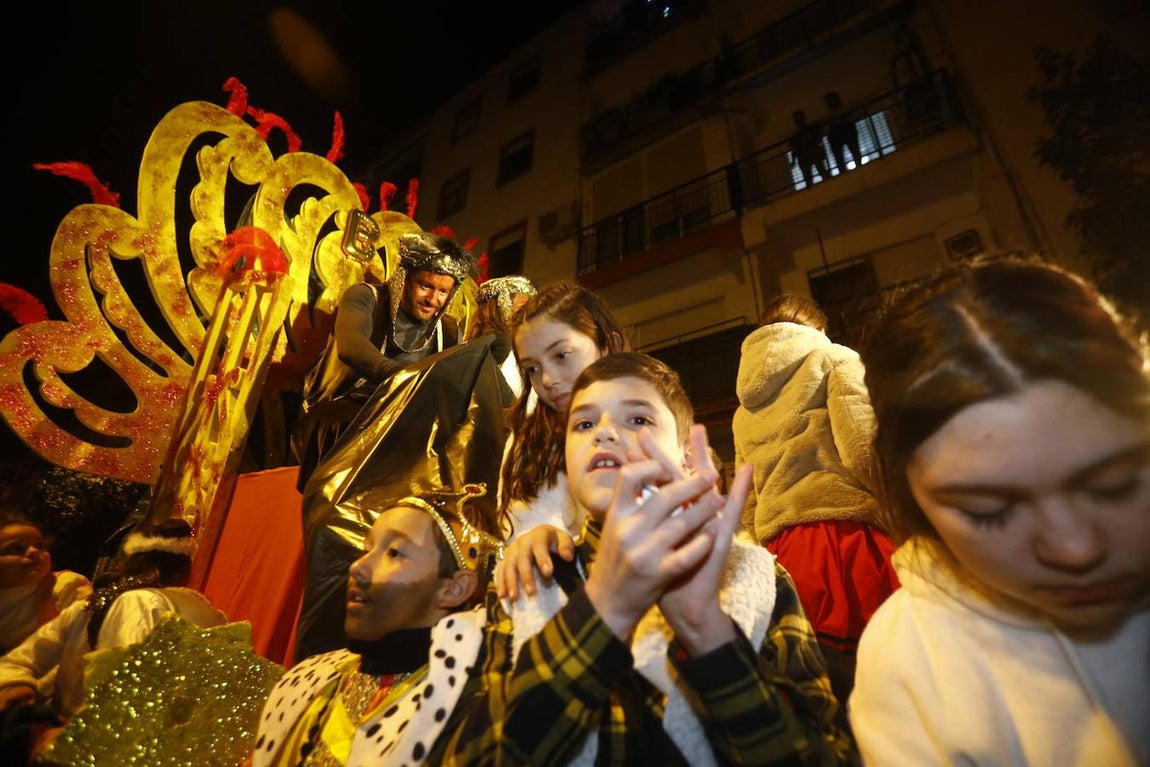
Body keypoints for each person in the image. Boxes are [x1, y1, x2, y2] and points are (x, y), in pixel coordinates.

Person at [428, 352, 857, 765]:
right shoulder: (527, 579)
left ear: (687, 456)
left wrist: (706, 634)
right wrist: (604, 609)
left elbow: (821, 752)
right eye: (584, 423)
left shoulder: (758, 577)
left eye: (637, 419)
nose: (604, 433)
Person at [849, 255, 1150, 766]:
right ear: (909, 495)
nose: (1075, 549)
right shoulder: (909, 663)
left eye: (1113, 486)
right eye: (988, 511)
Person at [249, 486, 502, 767]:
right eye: (367, 548)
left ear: (454, 589)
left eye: (394, 552)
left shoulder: (467, 710)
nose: (358, 566)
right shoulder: (307, 683)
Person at [732, 293, 898, 717]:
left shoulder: (742, 409)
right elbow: (863, 449)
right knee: (896, 678)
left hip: (781, 561)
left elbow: (745, 497)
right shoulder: (835, 359)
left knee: (819, 692)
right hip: (848, 543)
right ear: (817, 329)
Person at [0, 517, 226, 759]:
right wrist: (19, 688)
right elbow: (19, 661)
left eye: (40, 545)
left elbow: (125, 695)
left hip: (105, 747)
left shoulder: (133, 602)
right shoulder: (91, 608)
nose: (34, 553)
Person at [292, 230, 478, 492]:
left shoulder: (447, 330)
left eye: (442, 292)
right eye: (425, 286)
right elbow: (351, 346)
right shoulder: (366, 297)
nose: (432, 299)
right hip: (344, 409)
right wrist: (404, 378)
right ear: (404, 278)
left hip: (403, 418)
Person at [495, 280, 628, 539]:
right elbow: (514, 533)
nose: (547, 380)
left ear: (607, 344)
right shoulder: (527, 441)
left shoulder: (652, 422)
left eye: (561, 355)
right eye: (532, 368)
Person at [0, 510, 91, 656]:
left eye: (40, 545)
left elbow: (85, 641)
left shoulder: (64, 585)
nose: (33, 551)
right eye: (15, 548)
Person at [464, 274, 538, 399]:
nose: (528, 314)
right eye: (522, 307)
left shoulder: (479, 340)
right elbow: (499, 394)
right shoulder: (502, 342)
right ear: (502, 306)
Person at [823, 91, 863, 173]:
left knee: (855, 152)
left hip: (848, 132)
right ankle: (843, 172)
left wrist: (843, 120)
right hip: (836, 137)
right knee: (839, 157)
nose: (830, 103)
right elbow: (825, 129)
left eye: (831, 100)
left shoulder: (846, 109)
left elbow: (855, 116)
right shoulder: (828, 116)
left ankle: (859, 168)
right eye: (828, 101)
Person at [789, 109, 830, 187]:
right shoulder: (795, 136)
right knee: (808, 176)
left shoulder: (811, 128)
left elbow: (819, 137)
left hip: (814, 154)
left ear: (804, 118)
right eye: (797, 119)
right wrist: (793, 160)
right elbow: (794, 149)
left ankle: (828, 184)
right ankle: (811, 189)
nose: (799, 121)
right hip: (805, 157)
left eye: (799, 118)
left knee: (821, 170)